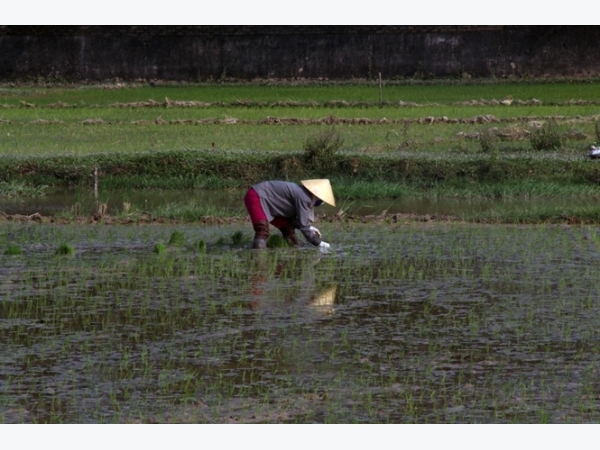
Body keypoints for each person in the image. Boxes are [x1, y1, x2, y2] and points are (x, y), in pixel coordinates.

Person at [244, 179, 335, 250]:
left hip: (271, 203)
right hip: (256, 195)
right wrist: (319, 243)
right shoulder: (304, 197)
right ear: (317, 196)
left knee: (288, 228)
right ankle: (258, 260)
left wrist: (310, 228)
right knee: (262, 230)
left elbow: (291, 219)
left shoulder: (304, 195)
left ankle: (293, 253)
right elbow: (303, 226)